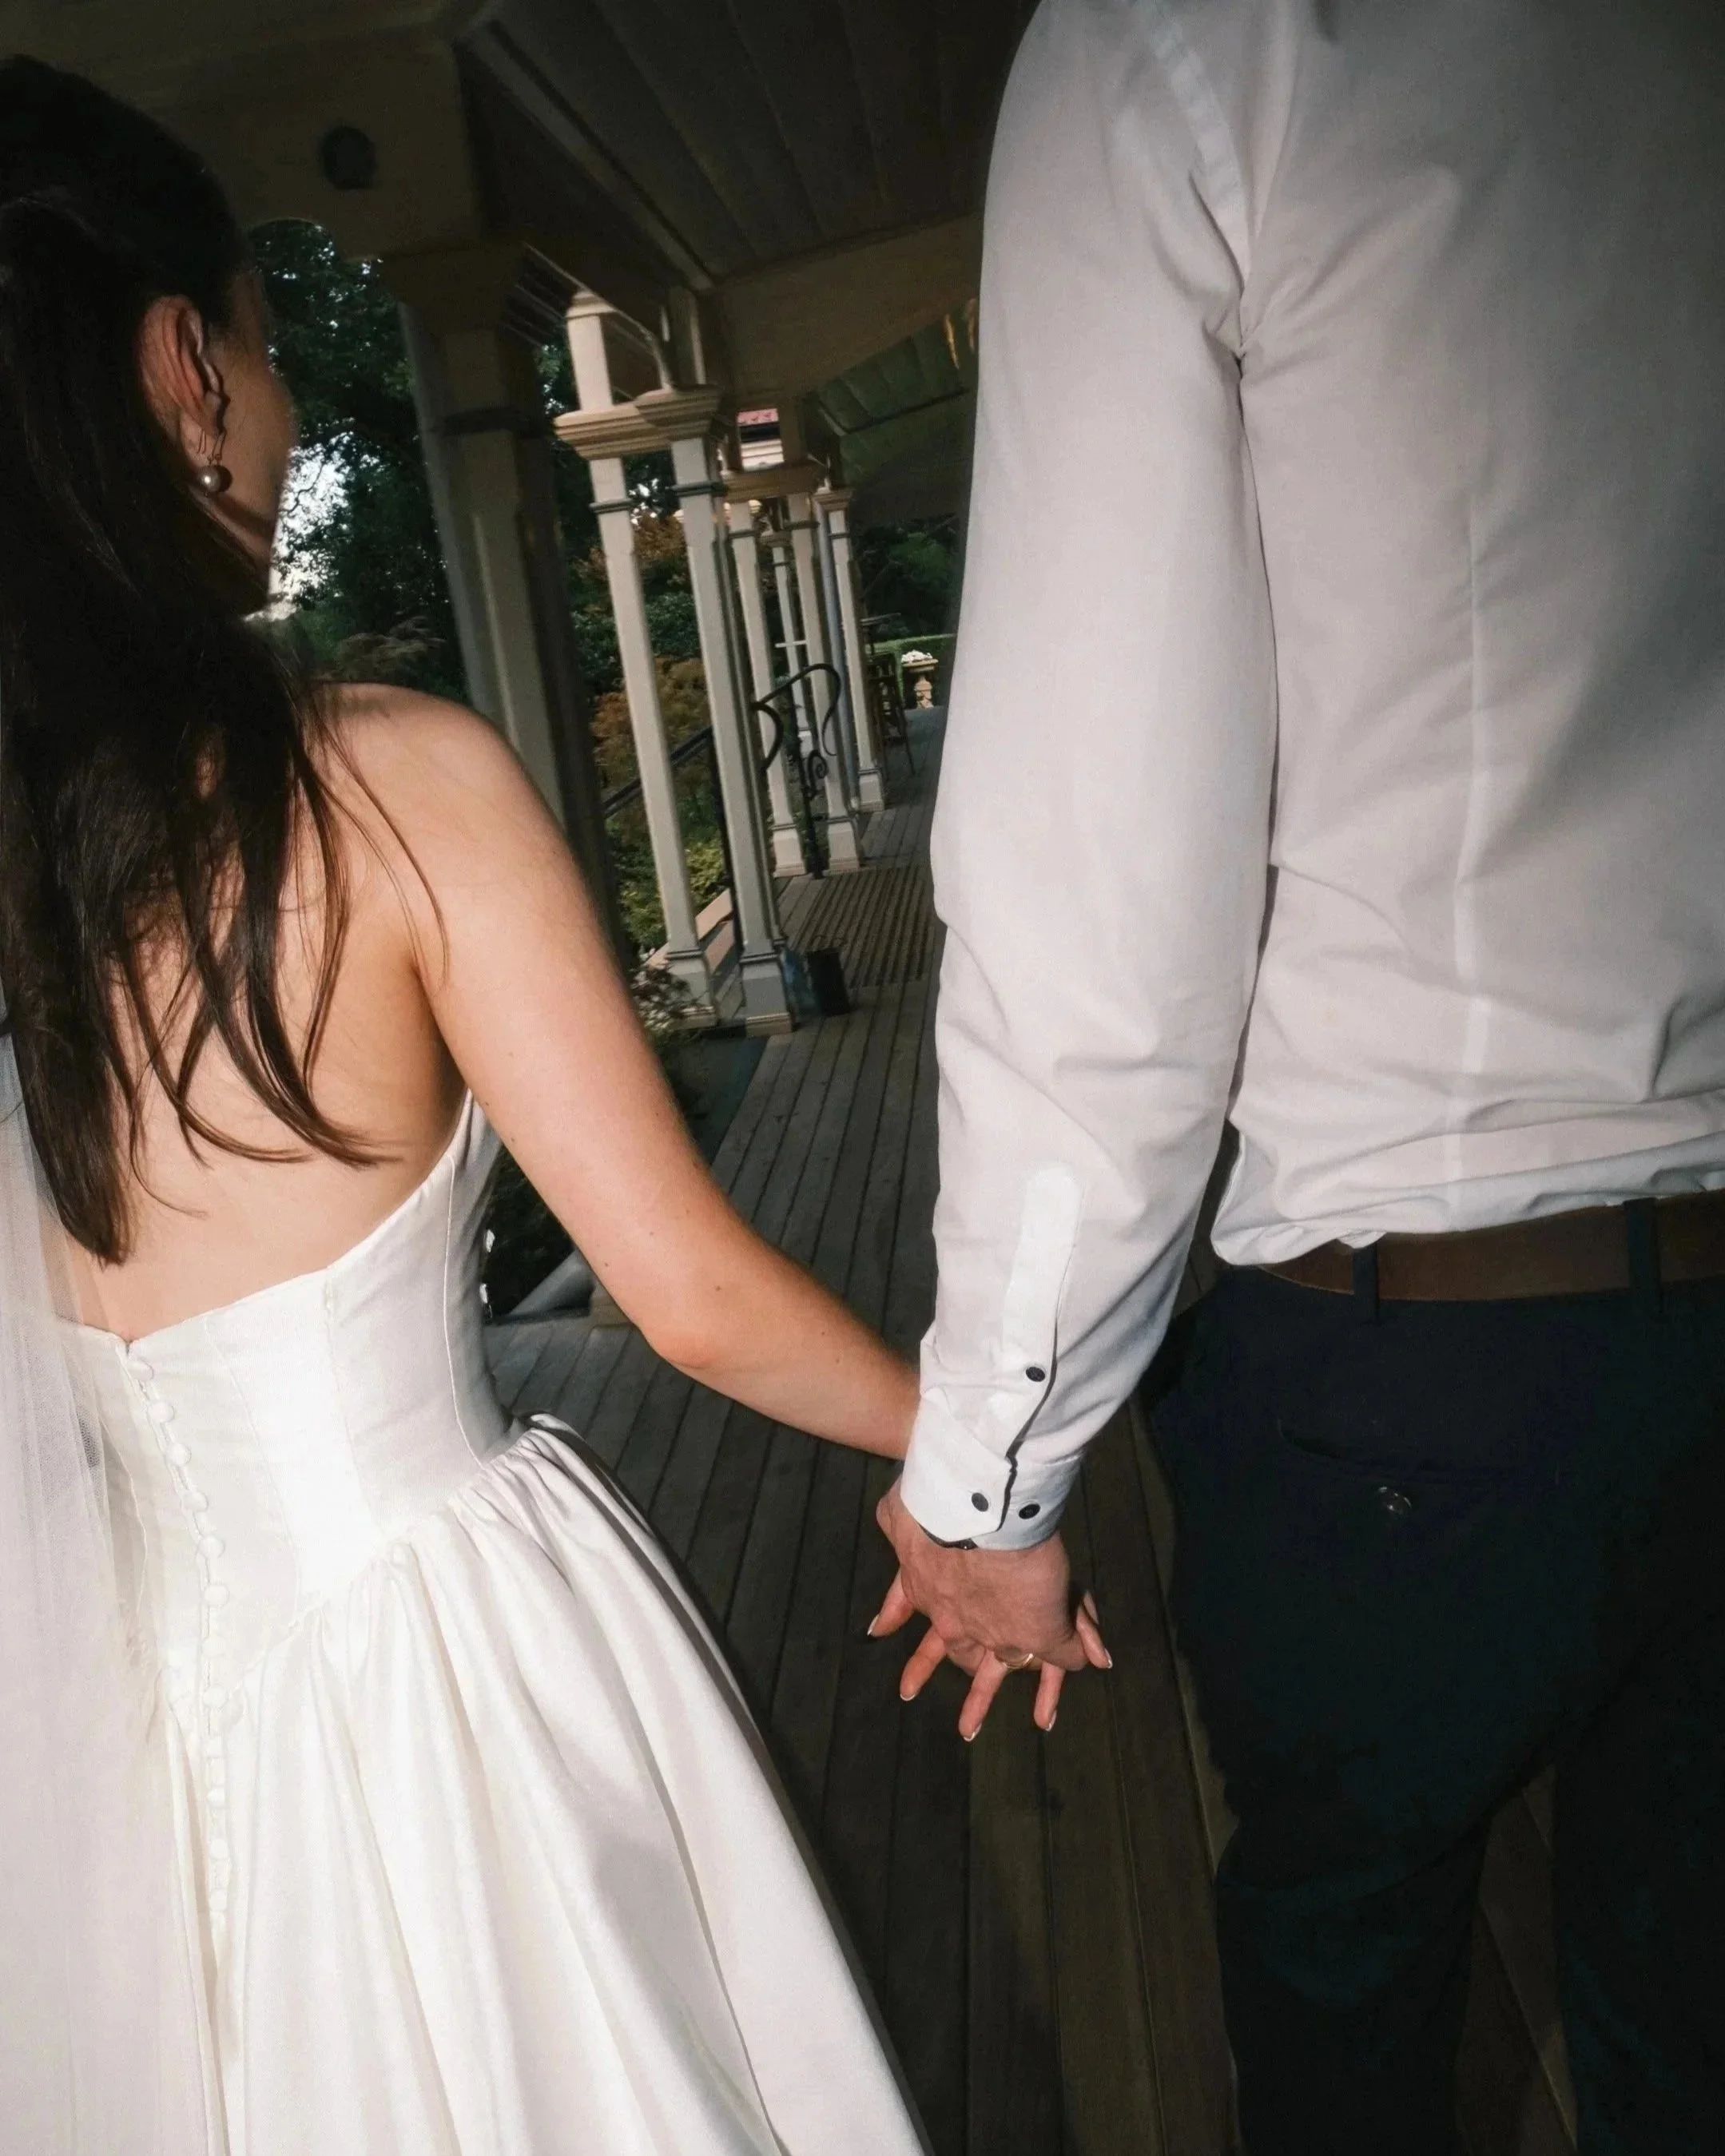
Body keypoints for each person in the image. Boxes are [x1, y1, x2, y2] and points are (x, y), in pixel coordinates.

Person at [0, 54, 968, 2156]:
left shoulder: (29, 877)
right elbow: (686, 1294)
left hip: (138, 1756)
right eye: (262, 346)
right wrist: (984, 1467)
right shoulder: (383, 778)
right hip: (436, 1689)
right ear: (183, 366)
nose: (285, 409)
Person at [870, 1, 1725, 2150]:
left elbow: (1109, 879)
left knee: (1347, 2001)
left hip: (1408, 1367)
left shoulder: (1184, 49)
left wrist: (992, 1469)